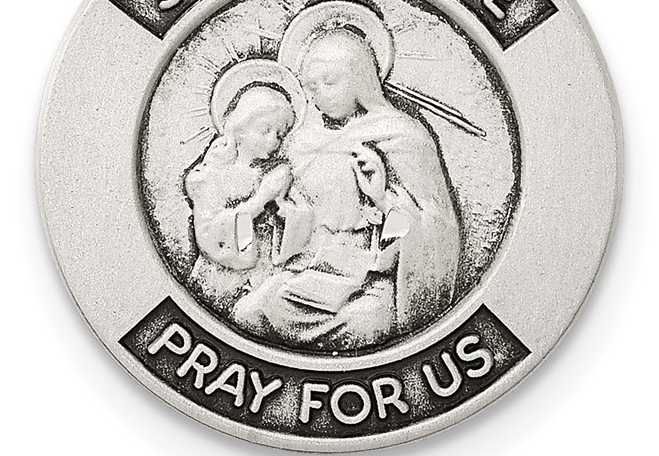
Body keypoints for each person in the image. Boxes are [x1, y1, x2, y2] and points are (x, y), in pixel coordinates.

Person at [234, 26, 460, 350]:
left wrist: (382, 199)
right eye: (312, 87)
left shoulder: (402, 136)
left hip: (369, 281)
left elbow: (434, 226)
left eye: (330, 82)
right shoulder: (301, 143)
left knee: (368, 324)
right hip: (312, 274)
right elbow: (290, 224)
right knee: (249, 313)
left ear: (360, 78)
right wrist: (287, 213)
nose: (319, 95)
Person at [184, 80, 312, 314]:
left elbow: (297, 229)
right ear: (240, 128)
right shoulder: (210, 178)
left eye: (280, 134)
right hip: (221, 283)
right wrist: (259, 201)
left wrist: (287, 211)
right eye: (265, 130)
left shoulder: (275, 175)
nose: (273, 140)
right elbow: (216, 240)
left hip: (263, 279)